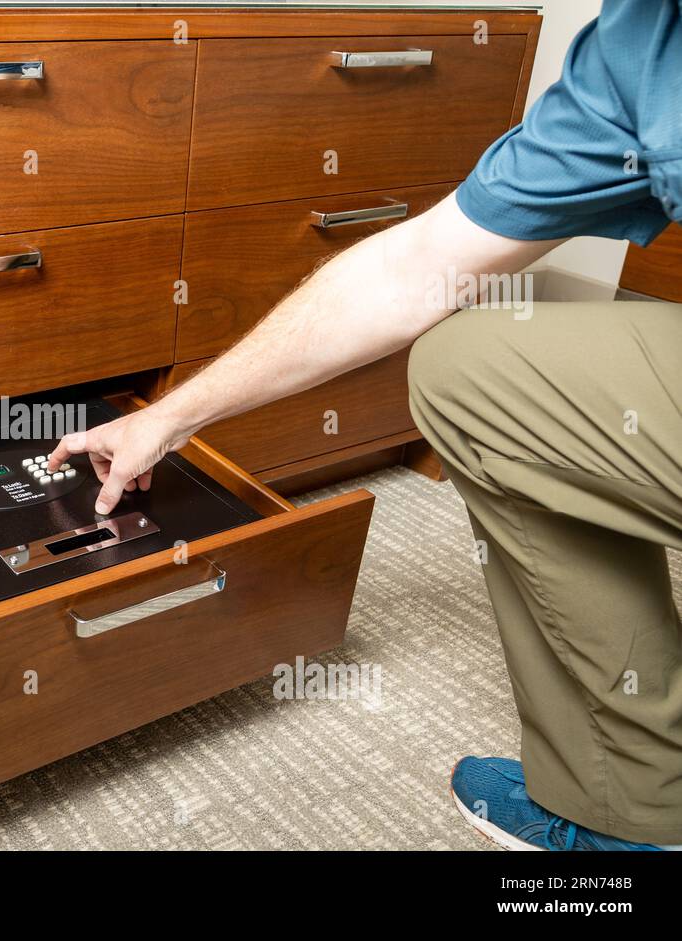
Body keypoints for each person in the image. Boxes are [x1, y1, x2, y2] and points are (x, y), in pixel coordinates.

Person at [48, 0, 682, 851]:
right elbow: (413, 269)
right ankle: (636, 801)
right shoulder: (639, 45)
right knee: (479, 363)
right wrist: (168, 417)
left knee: (476, 373)